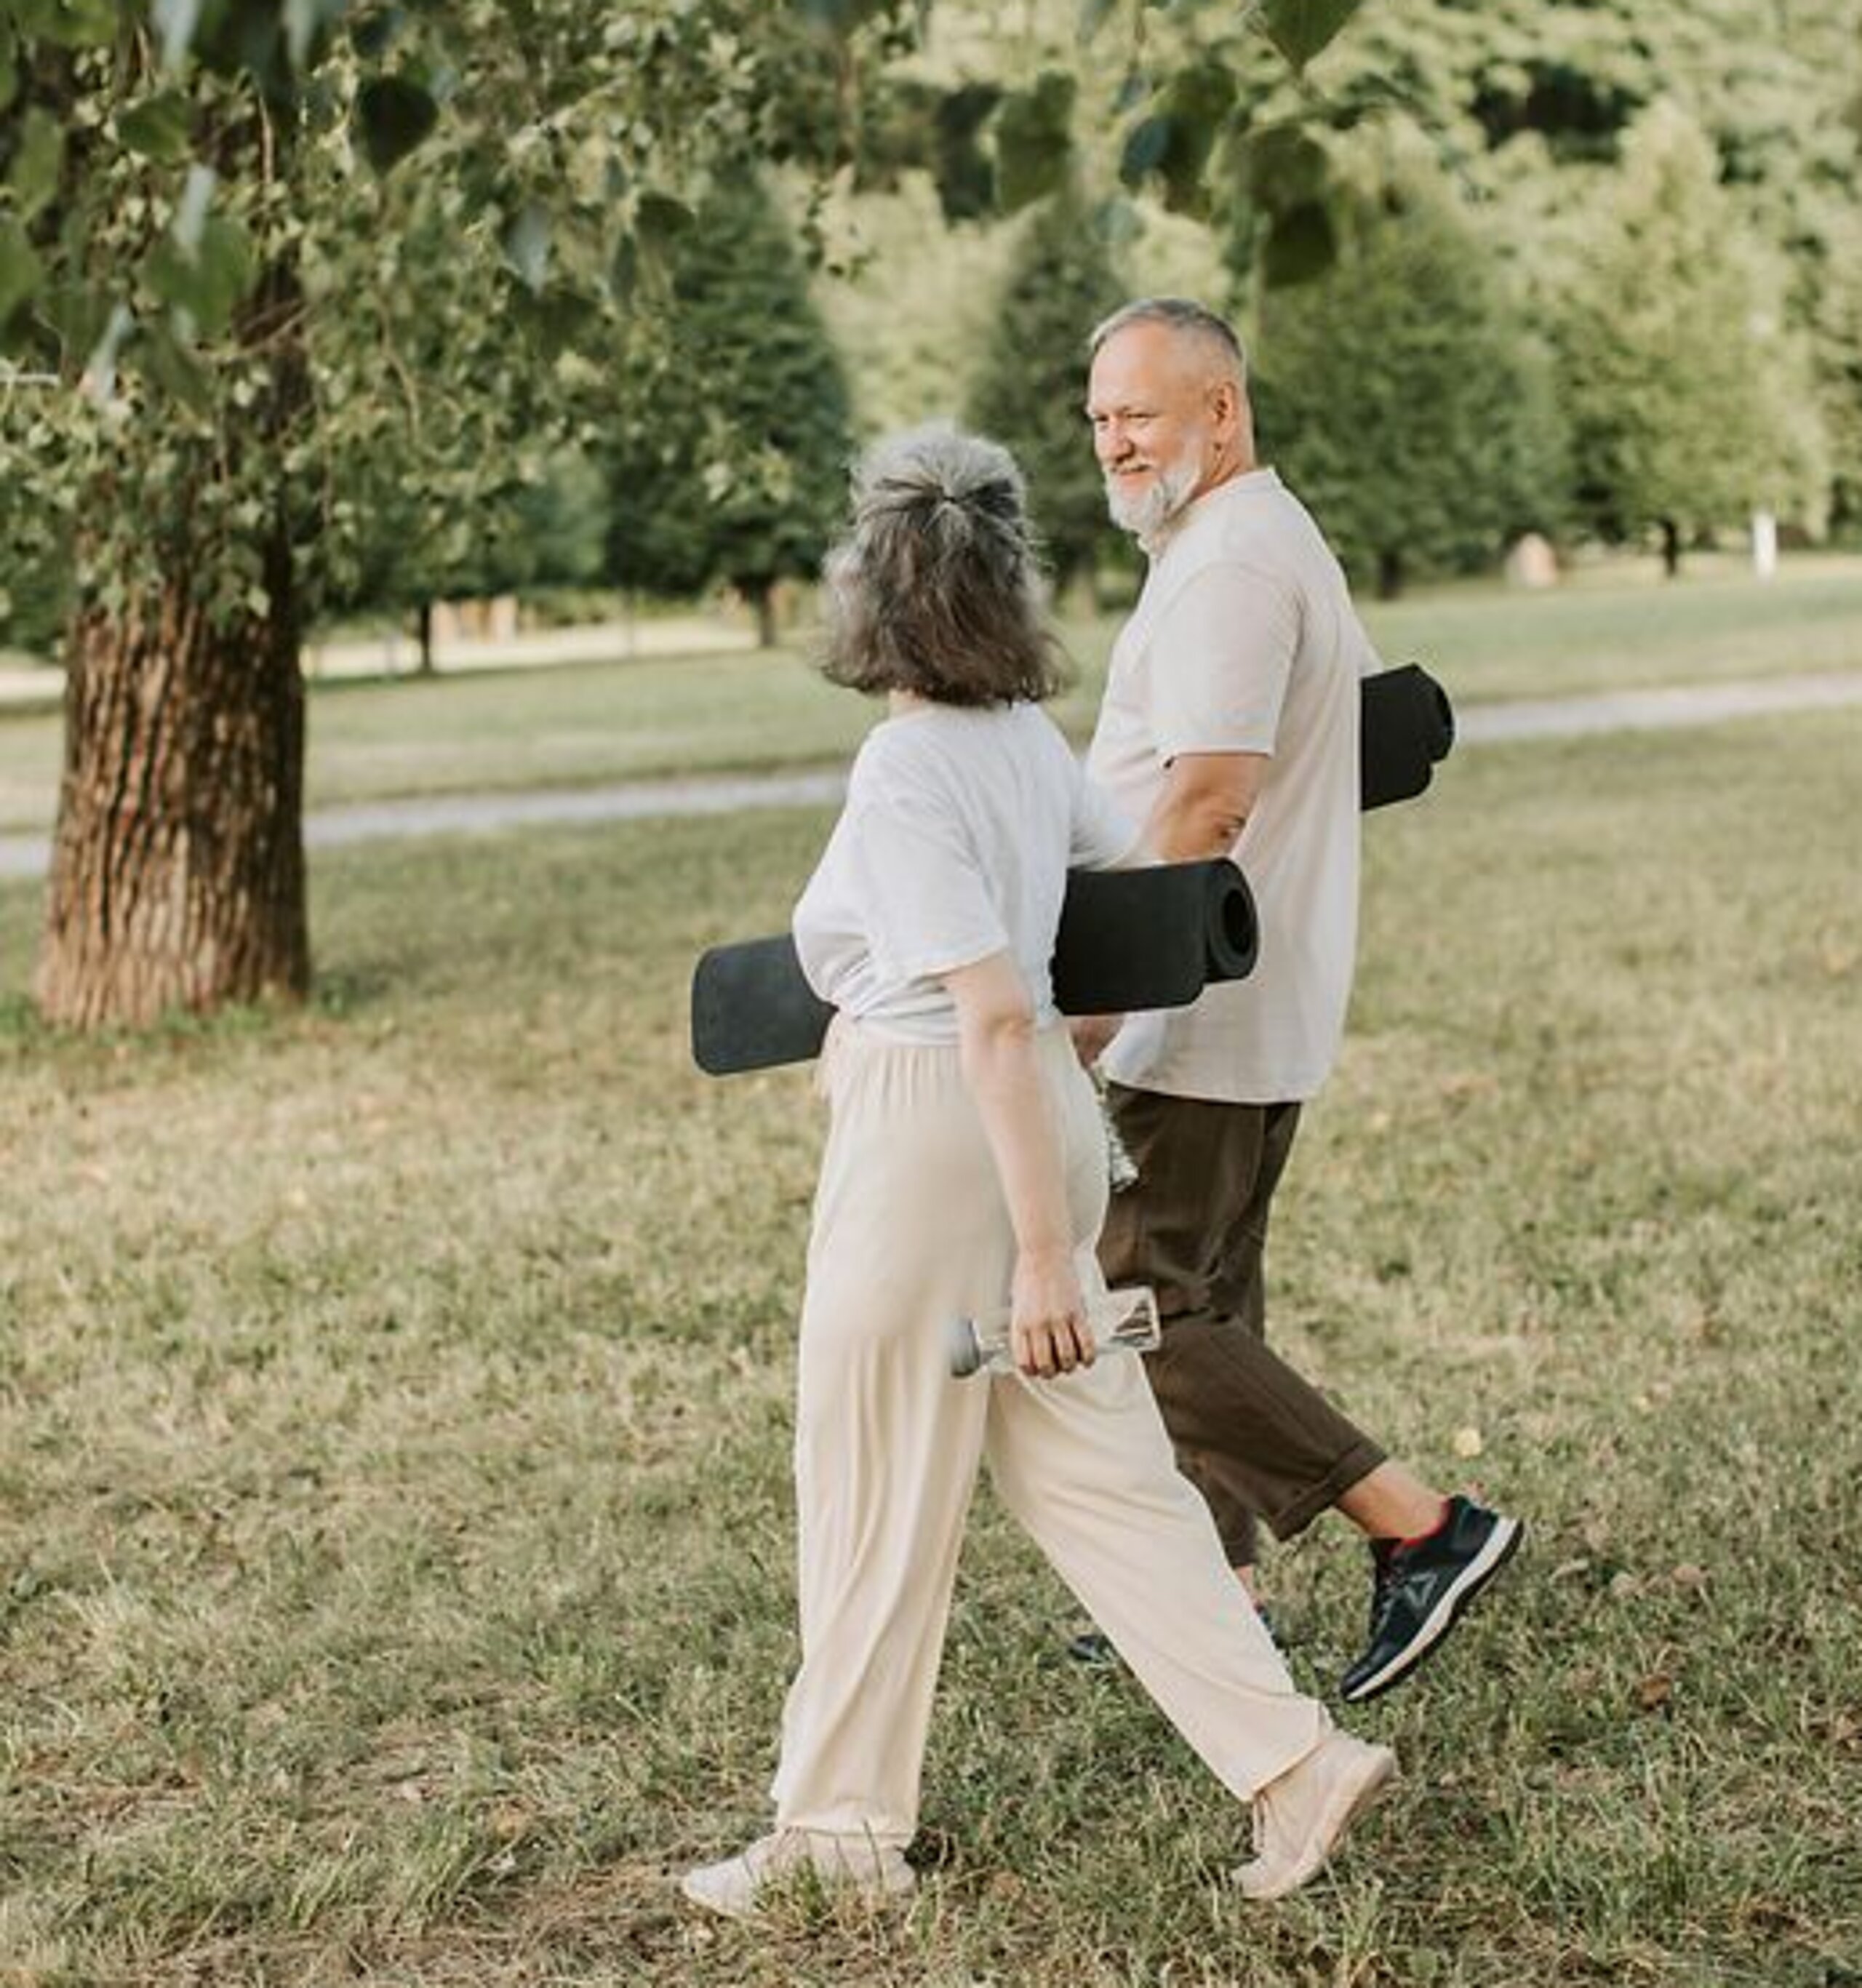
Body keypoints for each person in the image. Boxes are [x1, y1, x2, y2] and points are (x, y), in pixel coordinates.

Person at [679, 424, 1395, 1920]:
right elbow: (1117, 921)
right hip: (1036, 1132)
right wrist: (1060, 1162)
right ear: (1007, 589)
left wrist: (1039, 1253)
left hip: (937, 1138)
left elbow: (995, 1011)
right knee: (1108, 1487)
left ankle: (836, 1833)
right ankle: (1294, 1763)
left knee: (871, 1483)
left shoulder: (902, 773)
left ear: (867, 595)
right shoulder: (1019, 750)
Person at [1078, 299, 1522, 1704]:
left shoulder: (1226, 569)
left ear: (1222, 409)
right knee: (1205, 1298)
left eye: (1137, 412)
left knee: (1129, 1301)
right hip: (1253, 996)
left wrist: (1088, 998)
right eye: (1097, 419)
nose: (1112, 442)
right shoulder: (1261, 537)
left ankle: (1420, 1525)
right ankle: (1215, 1591)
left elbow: (1207, 797)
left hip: (1193, 1003)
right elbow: (1371, 738)